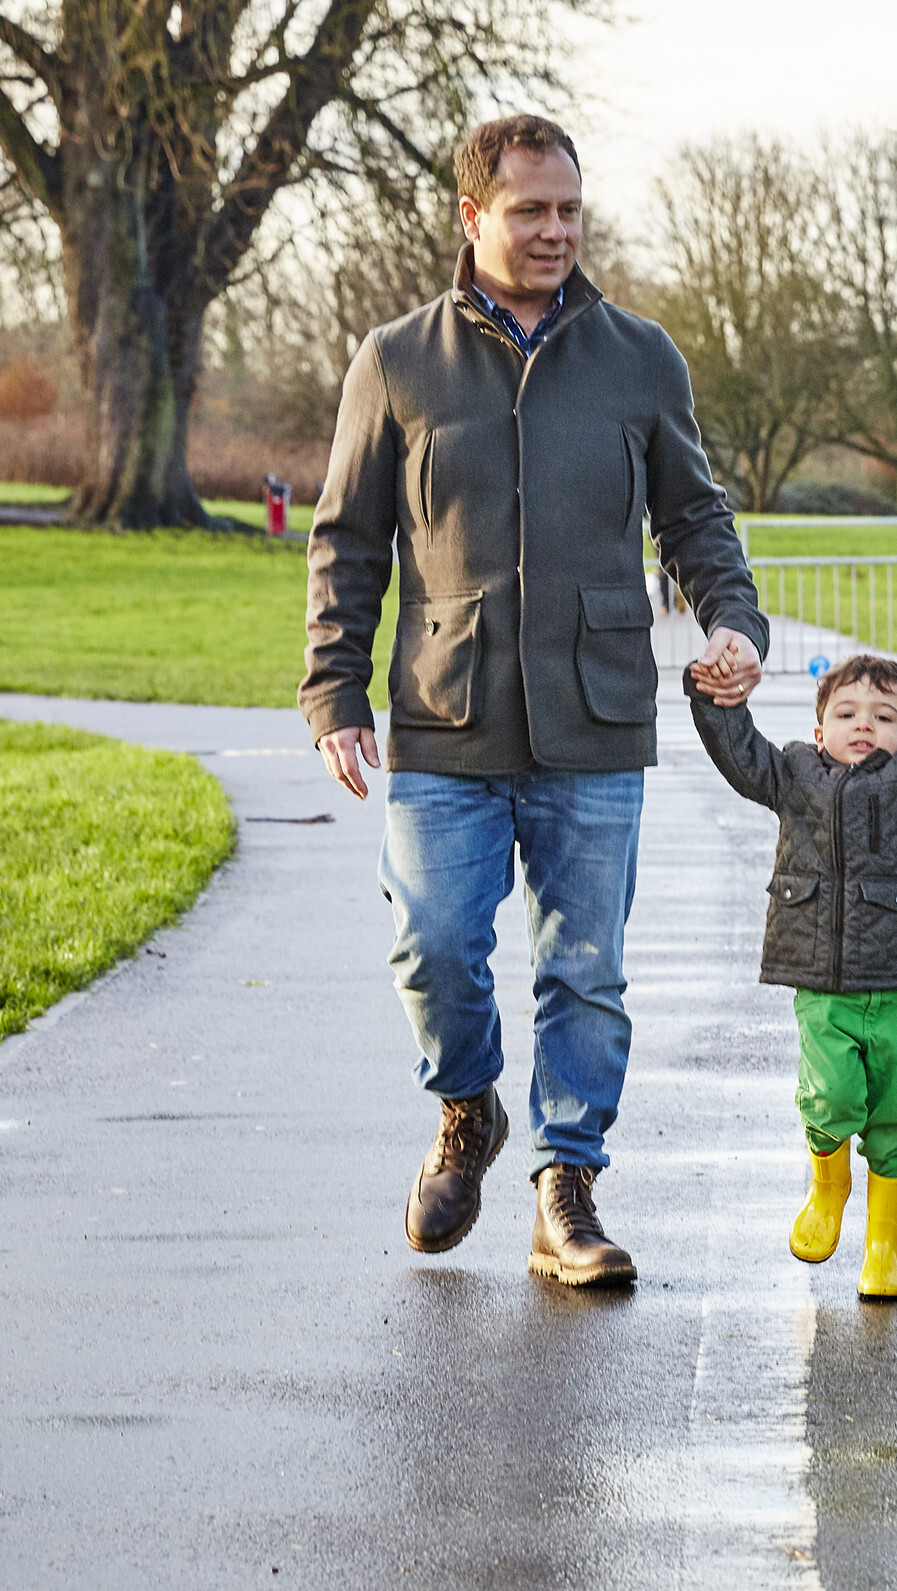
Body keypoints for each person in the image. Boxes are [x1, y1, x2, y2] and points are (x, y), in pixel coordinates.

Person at [301, 114, 767, 1287]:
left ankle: (568, 1184)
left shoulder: (639, 356)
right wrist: (334, 689)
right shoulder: (396, 361)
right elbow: (348, 540)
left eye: (569, 209)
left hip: (594, 715)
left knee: (586, 967)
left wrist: (733, 622)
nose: (555, 230)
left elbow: (695, 517)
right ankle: (468, 1111)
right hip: (443, 715)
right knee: (436, 945)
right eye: (530, 211)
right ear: (473, 217)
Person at [686, 650, 897, 1301]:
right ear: (819, 732)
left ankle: (883, 1248)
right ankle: (827, 1186)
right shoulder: (794, 773)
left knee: (895, 1119)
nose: (863, 724)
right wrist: (714, 697)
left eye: (884, 715)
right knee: (831, 1097)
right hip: (822, 982)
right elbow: (738, 754)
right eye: (846, 713)